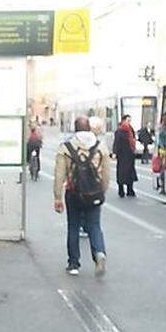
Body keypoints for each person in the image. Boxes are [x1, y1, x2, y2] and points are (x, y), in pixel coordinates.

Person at [54, 116, 111, 276]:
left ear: (75, 129)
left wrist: (57, 197)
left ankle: (73, 264)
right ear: (90, 128)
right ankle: (99, 253)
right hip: (94, 193)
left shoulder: (66, 147)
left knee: (73, 226)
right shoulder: (101, 147)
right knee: (94, 225)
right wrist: (102, 191)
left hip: (73, 193)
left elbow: (59, 174)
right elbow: (106, 175)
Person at [112, 115, 138, 198]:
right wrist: (115, 153)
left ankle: (130, 190)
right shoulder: (119, 131)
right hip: (122, 155)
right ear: (123, 121)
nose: (129, 122)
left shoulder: (131, 130)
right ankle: (121, 190)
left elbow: (133, 140)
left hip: (130, 154)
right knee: (121, 173)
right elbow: (116, 142)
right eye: (127, 120)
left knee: (130, 173)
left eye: (130, 120)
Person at [155, 114, 166, 193]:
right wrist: (162, 149)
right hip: (163, 151)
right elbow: (159, 140)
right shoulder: (161, 128)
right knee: (163, 168)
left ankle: (162, 184)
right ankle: (162, 184)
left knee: (164, 168)